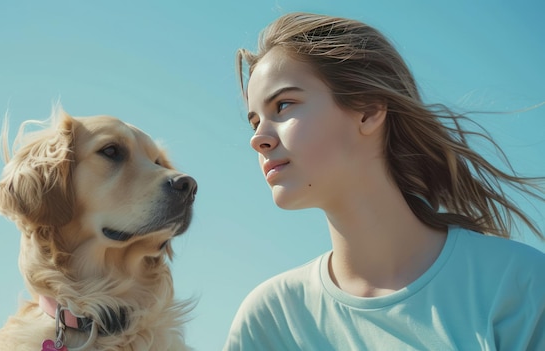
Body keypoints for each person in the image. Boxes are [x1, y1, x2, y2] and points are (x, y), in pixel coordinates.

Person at [223, 12, 545, 350]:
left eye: (284, 105)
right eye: (254, 121)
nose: (258, 139)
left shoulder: (516, 286)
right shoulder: (270, 321)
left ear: (369, 110)